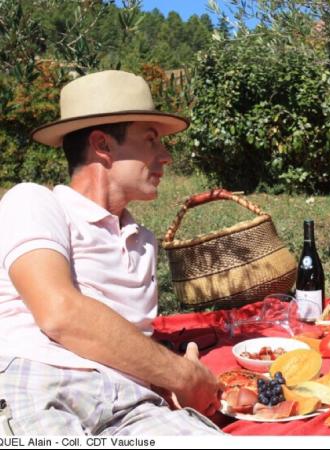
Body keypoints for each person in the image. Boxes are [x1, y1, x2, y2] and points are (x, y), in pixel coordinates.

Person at [0, 70, 224, 435]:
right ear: (102, 145)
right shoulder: (34, 202)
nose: (165, 156)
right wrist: (181, 374)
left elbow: (132, 344)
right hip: (43, 384)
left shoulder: (143, 241)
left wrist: (167, 380)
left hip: (133, 407)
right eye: (151, 140)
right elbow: (60, 313)